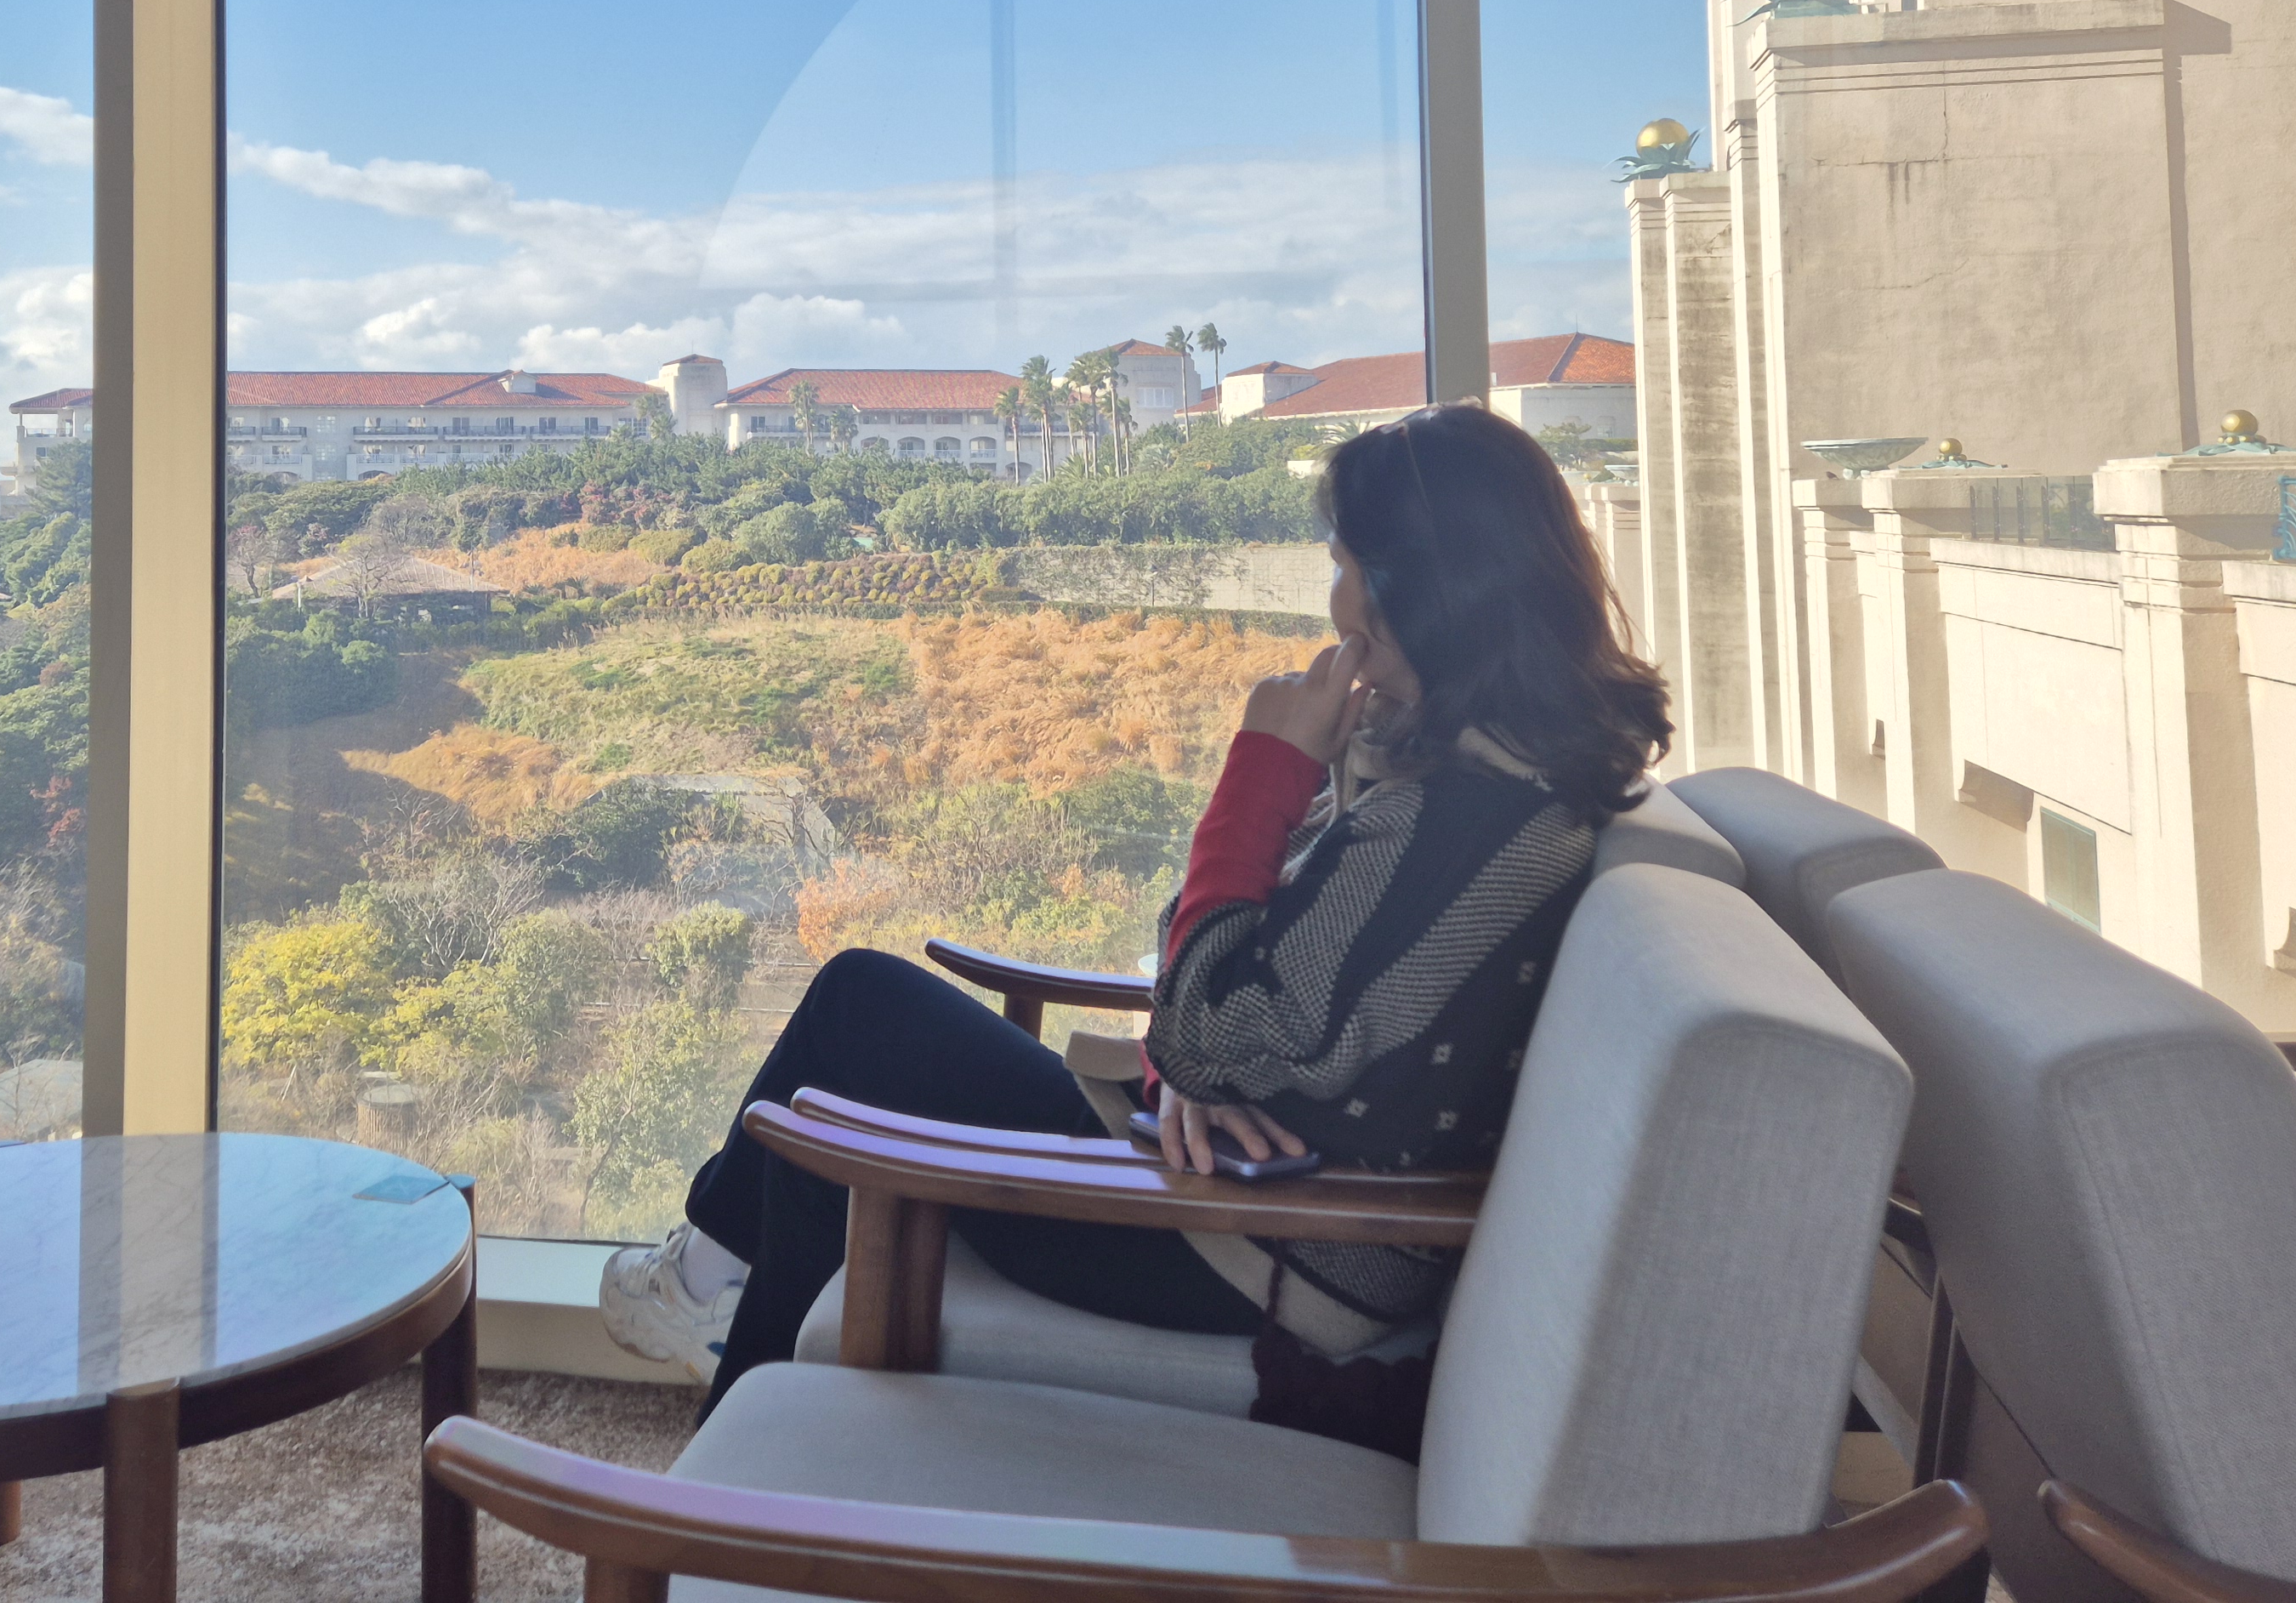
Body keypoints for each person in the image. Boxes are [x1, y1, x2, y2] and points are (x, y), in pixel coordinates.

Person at [597, 403, 1674, 1409]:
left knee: (857, 1015)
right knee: (841, 1100)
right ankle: (735, 1375)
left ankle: (699, 1296)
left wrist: (1265, 773)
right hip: (1240, 1180)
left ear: (1425, 589)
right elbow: (1220, 981)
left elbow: (1203, 1020)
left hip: (1246, 1243)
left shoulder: (1460, 823)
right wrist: (1192, 1066)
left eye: (1347, 564)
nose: (1337, 604)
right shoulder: (1485, 778)